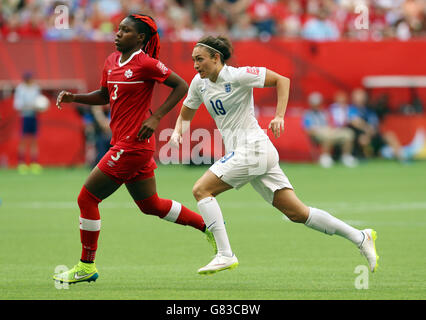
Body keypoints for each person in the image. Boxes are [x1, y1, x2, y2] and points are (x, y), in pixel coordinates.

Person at [169, 36, 379, 275]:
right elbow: (186, 113)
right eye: (193, 60)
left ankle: (225, 254)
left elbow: (282, 80)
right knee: (298, 213)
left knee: (201, 190)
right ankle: (360, 237)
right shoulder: (199, 83)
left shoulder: (238, 75)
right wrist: (177, 133)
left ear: (216, 58)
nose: (195, 65)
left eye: (200, 59)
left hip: (254, 148)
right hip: (250, 153)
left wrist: (279, 116)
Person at [53, 14, 216, 285]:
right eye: (118, 29)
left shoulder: (146, 63)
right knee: (150, 205)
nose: (118, 34)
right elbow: (105, 95)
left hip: (132, 145)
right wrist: (75, 98)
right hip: (125, 143)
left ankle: (86, 265)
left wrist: (155, 117)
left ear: (140, 38)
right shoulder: (111, 61)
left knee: (87, 199)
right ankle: (208, 226)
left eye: (125, 31)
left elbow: (181, 86)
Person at [302, 92, 358, 168]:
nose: (317, 105)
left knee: (348, 133)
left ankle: (346, 156)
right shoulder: (307, 114)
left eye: (318, 103)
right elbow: (307, 129)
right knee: (326, 135)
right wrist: (321, 130)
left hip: (330, 131)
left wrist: (333, 129)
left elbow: (332, 124)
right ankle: (325, 157)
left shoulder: (325, 113)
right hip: (317, 134)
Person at [13, 72, 43, 174]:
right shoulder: (20, 89)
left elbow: (39, 102)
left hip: (34, 116)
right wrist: (31, 106)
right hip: (25, 116)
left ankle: (34, 163)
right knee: (24, 139)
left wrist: (40, 107)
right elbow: (18, 105)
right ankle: (21, 163)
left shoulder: (35, 88)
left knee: (34, 139)